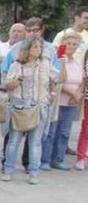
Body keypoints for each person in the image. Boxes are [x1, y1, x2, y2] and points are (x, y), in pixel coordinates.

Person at [3, 35, 51, 184]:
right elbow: (8, 85)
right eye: (35, 46)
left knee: (35, 141)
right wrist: (20, 78)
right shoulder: (17, 65)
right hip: (20, 106)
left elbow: (57, 79)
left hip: (39, 106)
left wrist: (52, 93)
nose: (38, 50)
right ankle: (8, 169)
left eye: (40, 47)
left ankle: (33, 172)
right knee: (14, 140)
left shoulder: (45, 64)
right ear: (28, 49)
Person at [0, 22, 26, 161]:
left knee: (9, 125)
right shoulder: (0, 47)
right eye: (14, 30)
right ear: (9, 32)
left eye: (20, 31)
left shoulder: (26, 49)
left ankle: (6, 152)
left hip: (15, 93)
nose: (16, 33)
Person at [43, 29, 83, 171]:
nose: (71, 46)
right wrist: (73, 93)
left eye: (74, 44)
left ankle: (58, 159)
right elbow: (59, 79)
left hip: (71, 103)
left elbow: (82, 79)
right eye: (69, 43)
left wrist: (78, 94)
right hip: (58, 101)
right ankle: (45, 160)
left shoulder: (77, 63)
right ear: (62, 44)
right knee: (51, 131)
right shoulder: (58, 59)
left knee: (65, 132)